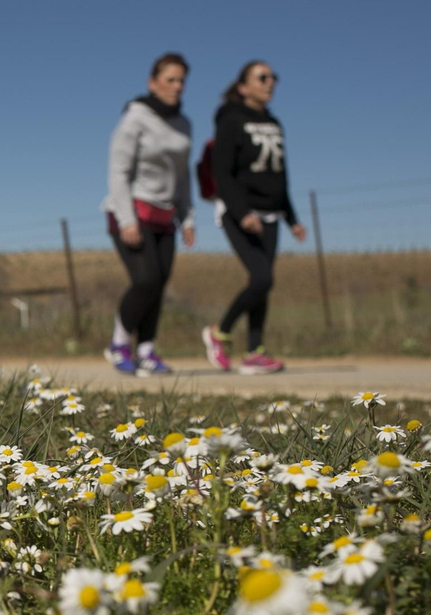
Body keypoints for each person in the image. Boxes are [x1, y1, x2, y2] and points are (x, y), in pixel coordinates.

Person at [201, 59, 307, 374]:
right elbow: (222, 171)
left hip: (272, 213)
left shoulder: (275, 124)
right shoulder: (230, 119)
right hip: (240, 212)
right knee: (262, 277)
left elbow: (279, 176)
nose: (270, 82)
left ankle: (255, 352)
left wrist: (292, 218)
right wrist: (242, 211)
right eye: (262, 77)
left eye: (273, 77)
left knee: (262, 284)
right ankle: (219, 332)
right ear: (244, 87)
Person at [102, 52, 195, 377]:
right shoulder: (136, 117)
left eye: (182, 80)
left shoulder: (184, 125)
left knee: (160, 284)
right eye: (170, 79)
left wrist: (188, 217)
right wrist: (127, 220)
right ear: (153, 82)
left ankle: (146, 351)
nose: (177, 86)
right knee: (146, 280)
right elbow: (118, 170)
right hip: (131, 211)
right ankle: (118, 344)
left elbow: (183, 176)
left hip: (165, 216)